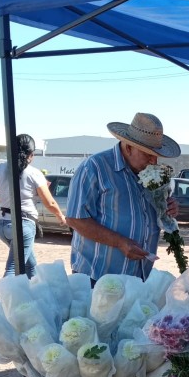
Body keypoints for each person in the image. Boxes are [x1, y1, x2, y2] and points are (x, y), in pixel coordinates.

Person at [66, 112, 180, 284]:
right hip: (97, 278)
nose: (153, 161)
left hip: (140, 277)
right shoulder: (94, 168)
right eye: (147, 154)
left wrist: (168, 208)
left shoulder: (153, 173)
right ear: (128, 148)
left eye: (155, 154)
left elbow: (154, 211)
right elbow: (75, 219)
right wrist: (120, 243)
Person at [0, 134, 67, 278]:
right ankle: (1, 301)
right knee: (13, 269)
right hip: (23, 226)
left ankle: (33, 294)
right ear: (31, 154)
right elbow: (50, 202)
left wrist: (7, 200)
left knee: (30, 265)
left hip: (3, 225)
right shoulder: (34, 173)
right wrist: (61, 217)